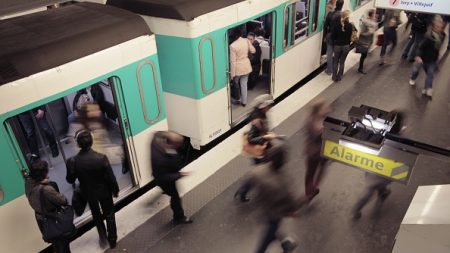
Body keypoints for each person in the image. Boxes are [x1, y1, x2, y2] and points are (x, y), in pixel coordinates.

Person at [248, 140, 305, 253]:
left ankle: (286, 242)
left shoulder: (257, 172)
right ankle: (286, 243)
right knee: (268, 235)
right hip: (275, 214)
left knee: (270, 233)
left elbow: (252, 182)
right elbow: (290, 202)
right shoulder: (283, 182)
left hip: (263, 208)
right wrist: (294, 210)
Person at [66, 130, 119, 249]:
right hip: (104, 192)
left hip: (88, 193)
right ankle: (113, 240)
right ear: (92, 141)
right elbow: (111, 177)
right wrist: (115, 190)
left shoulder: (73, 161)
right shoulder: (101, 158)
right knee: (109, 215)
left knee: (96, 216)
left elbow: (70, 180)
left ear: (78, 144)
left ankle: (103, 238)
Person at [234, 95, 276, 202]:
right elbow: (251, 139)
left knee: (261, 172)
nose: (270, 107)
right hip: (259, 152)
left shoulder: (260, 114)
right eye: (269, 105)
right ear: (263, 106)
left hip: (263, 150)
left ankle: (246, 190)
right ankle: (243, 191)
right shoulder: (257, 119)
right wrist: (265, 137)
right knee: (258, 173)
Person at [25, 160, 71, 253]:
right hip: (53, 219)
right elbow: (63, 201)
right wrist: (48, 184)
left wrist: (42, 181)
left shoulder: (28, 184)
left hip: (41, 219)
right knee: (63, 245)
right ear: (43, 173)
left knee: (55, 243)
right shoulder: (46, 189)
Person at [151, 131, 193, 224]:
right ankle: (179, 217)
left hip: (161, 175)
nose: (179, 147)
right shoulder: (160, 159)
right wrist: (179, 175)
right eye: (177, 145)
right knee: (175, 196)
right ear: (172, 144)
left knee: (167, 189)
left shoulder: (157, 140)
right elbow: (164, 177)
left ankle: (165, 191)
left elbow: (158, 133)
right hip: (165, 180)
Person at [409, 16, 446, 98]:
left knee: (430, 74)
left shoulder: (443, 35)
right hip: (422, 58)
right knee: (416, 70)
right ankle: (412, 78)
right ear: (433, 27)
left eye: (441, 27)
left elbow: (438, 47)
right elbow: (420, 47)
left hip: (432, 60)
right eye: (437, 27)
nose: (440, 29)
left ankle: (427, 88)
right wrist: (418, 56)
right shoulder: (428, 36)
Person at [304, 99, 330, 202]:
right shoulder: (317, 125)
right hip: (318, 152)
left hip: (311, 151)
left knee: (310, 173)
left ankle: (309, 191)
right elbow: (319, 135)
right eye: (324, 107)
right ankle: (311, 191)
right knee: (319, 170)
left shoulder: (311, 118)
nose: (327, 108)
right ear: (318, 110)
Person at [230, 28, 256, 106]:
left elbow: (233, 62)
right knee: (244, 84)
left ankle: (237, 99)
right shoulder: (246, 40)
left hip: (238, 69)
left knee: (236, 83)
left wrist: (232, 74)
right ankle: (244, 102)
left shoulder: (232, 46)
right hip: (246, 66)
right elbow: (253, 51)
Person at [323, 0, 344, 75]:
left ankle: (329, 70)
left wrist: (325, 36)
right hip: (339, 37)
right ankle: (335, 69)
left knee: (329, 52)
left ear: (336, 5)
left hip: (330, 35)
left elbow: (325, 26)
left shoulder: (330, 14)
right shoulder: (343, 15)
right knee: (337, 53)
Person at [332, 10, 352, 82]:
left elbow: (333, 37)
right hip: (346, 46)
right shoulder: (350, 25)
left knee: (335, 62)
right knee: (342, 62)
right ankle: (339, 76)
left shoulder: (336, 26)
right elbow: (350, 37)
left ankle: (334, 77)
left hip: (337, 46)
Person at [357, 9, 378, 74]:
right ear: (371, 15)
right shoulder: (365, 22)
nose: (376, 15)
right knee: (364, 55)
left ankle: (360, 67)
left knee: (364, 55)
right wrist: (369, 32)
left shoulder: (374, 22)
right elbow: (362, 33)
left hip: (368, 42)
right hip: (364, 43)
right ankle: (360, 68)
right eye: (374, 14)